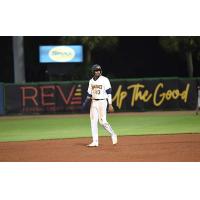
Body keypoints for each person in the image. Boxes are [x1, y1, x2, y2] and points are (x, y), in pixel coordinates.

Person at [82, 64, 118, 147]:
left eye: (99, 70)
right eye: (96, 70)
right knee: (93, 122)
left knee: (102, 122)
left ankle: (113, 134)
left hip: (102, 102)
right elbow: (89, 93)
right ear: (93, 72)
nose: (98, 71)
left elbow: (109, 92)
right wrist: (85, 102)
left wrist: (110, 104)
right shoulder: (91, 81)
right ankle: (95, 141)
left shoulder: (105, 80)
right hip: (93, 102)